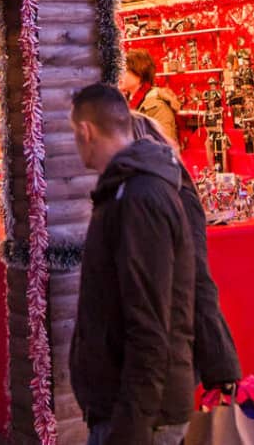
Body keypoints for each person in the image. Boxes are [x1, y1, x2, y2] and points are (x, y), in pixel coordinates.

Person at [69, 83, 195, 445]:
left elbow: (149, 323)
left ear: (85, 131)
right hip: (129, 409)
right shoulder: (127, 191)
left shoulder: (139, 197)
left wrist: (132, 427)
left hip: (137, 416)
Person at [130, 114, 240, 394]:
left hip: (170, 341)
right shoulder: (139, 190)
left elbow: (197, 280)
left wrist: (222, 369)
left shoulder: (172, 191)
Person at [120, 49, 180, 147]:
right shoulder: (126, 103)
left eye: (123, 70)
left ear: (139, 72)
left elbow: (163, 149)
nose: (119, 75)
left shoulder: (157, 106)